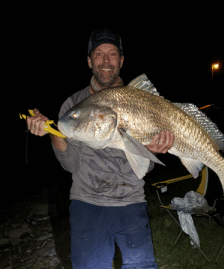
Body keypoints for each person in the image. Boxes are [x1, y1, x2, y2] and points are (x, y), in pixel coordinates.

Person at [27, 29, 175, 269]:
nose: (106, 61)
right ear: (89, 61)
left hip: (132, 203)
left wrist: (155, 150)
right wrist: (53, 134)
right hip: (88, 206)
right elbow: (71, 164)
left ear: (122, 60)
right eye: (99, 54)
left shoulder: (141, 100)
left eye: (112, 54)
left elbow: (143, 168)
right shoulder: (74, 105)